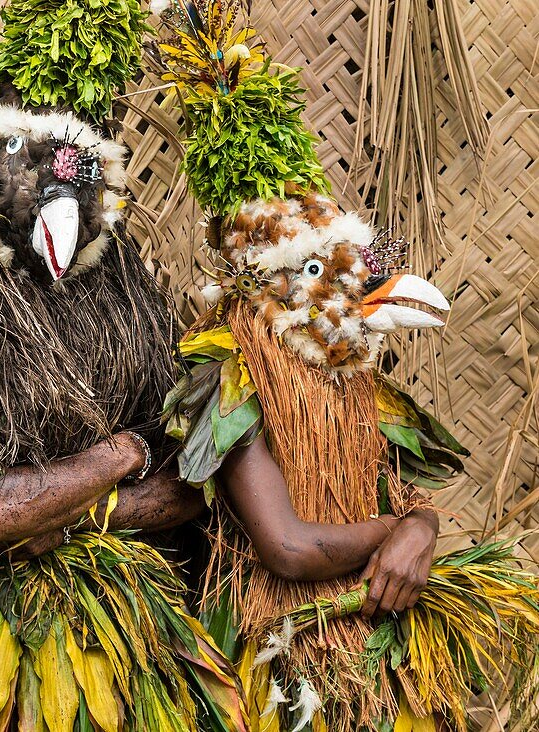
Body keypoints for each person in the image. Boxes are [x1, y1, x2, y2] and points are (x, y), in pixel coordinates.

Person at [0, 0, 247, 729]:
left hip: (126, 629)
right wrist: (122, 453)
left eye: (79, 174)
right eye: (33, 167)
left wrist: (71, 511)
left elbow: (191, 488)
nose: (59, 192)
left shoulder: (128, 301)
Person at [156, 1, 539, 728]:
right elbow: (292, 549)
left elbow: (402, 495)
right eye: (320, 271)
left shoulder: (352, 378)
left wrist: (419, 527)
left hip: (370, 641)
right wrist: (395, 534)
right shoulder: (235, 370)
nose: (348, 290)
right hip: (283, 651)